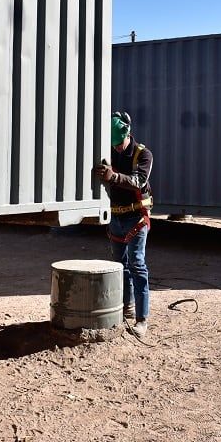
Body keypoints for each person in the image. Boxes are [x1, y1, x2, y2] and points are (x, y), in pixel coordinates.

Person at [92, 111, 153, 338]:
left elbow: (139, 180)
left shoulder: (143, 154)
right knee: (120, 267)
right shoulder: (110, 151)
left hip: (136, 218)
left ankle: (142, 319)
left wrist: (113, 177)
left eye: (119, 144)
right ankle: (125, 308)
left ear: (128, 134)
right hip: (116, 219)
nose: (117, 149)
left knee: (137, 265)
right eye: (113, 145)